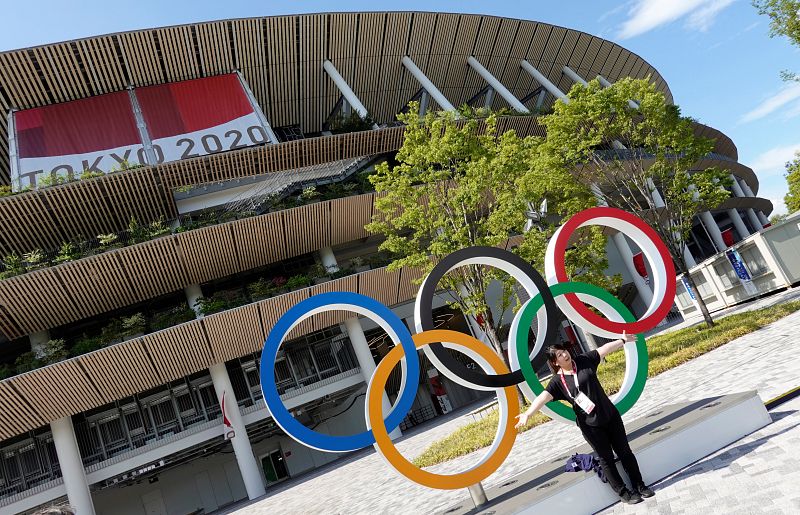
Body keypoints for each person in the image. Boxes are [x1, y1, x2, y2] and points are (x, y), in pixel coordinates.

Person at [514, 332, 655, 505]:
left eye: (563, 350)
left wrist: (622, 340)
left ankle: (640, 486)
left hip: (610, 415)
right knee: (606, 459)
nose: (564, 354)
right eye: (559, 354)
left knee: (624, 451)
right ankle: (624, 493)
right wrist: (528, 414)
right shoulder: (557, 382)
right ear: (554, 362)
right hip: (591, 426)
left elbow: (602, 350)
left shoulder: (583, 360)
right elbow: (543, 397)